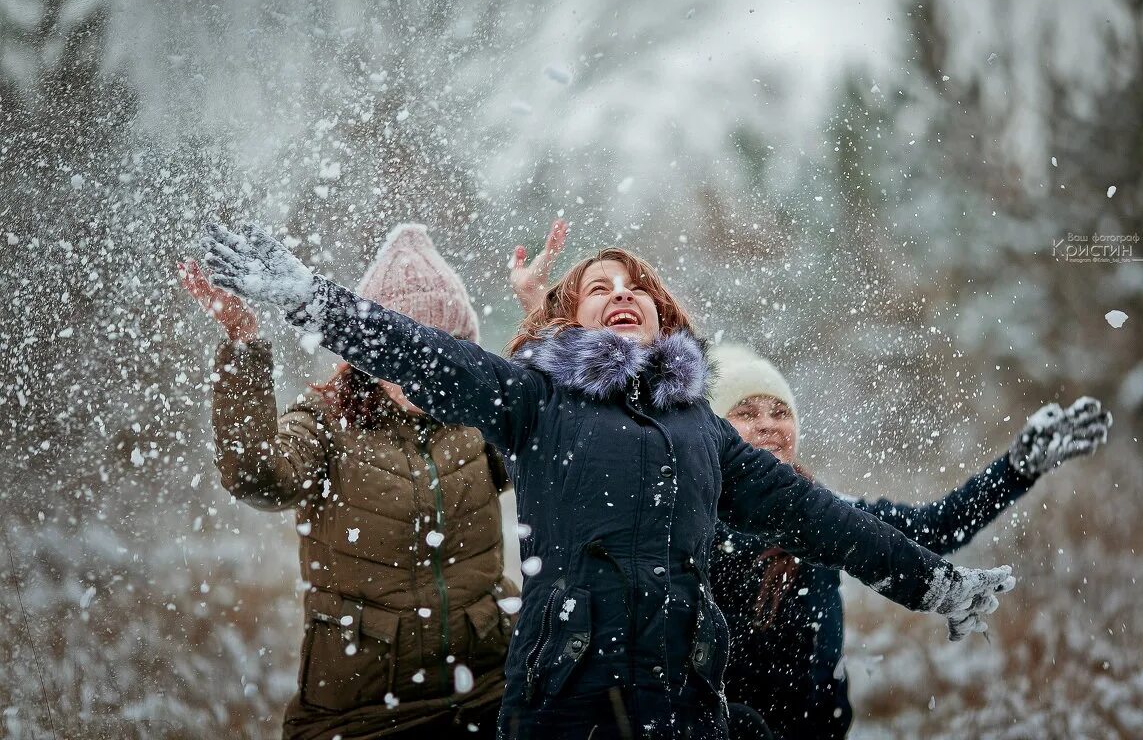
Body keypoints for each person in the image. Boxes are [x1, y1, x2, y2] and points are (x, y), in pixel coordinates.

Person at [198, 223, 1017, 740]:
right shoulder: (535, 400)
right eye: (602, 288)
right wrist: (307, 298)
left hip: (684, 709)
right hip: (565, 707)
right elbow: (423, 355)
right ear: (570, 321)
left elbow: (827, 519)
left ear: (662, 321)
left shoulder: (707, 433)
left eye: (638, 291)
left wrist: (934, 583)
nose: (623, 295)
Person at [181, 224, 519, 739]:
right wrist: (245, 343)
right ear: (370, 350)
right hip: (362, 714)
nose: (422, 369)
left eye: (440, 348)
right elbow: (256, 476)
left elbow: (560, 440)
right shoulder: (325, 422)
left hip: (489, 690)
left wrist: (543, 311)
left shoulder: (478, 420)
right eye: (405, 348)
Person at [706, 344, 1112, 739]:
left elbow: (936, 527)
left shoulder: (826, 514)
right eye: (745, 412)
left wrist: (1015, 472)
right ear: (716, 434)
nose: (768, 424)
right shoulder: (691, 525)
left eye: (780, 412)